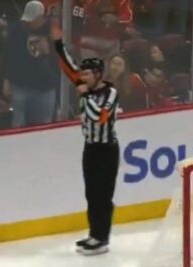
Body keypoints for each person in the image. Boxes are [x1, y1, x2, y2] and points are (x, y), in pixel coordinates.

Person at [54, 27, 120, 255]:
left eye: (88, 74)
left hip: (106, 150)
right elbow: (68, 66)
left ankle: (102, 238)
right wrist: (58, 44)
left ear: (98, 75)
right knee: (91, 193)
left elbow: (99, 118)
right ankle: (94, 234)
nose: (83, 77)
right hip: (90, 148)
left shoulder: (110, 94)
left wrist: (84, 95)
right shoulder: (84, 85)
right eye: (83, 75)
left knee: (103, 195)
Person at [3, 0, 59, 128]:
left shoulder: (51, 31)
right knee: (19, 126)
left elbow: (59, 57)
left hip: (45, 88)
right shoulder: (16, 31)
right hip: (21, 86)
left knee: (43, 128)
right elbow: (8, 56)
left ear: (41, 17)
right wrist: (7, 80)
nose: (29, 22)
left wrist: (49, 50)